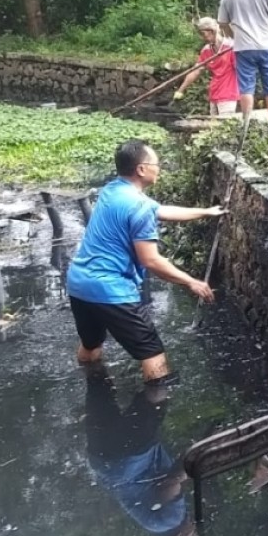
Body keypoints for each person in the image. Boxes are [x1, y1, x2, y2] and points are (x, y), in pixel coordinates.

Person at [67, 140, 225, 383]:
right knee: (152, 353)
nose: (159, 169)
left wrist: (206, 212)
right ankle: (156, 401)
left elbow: (160, 210)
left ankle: (94, 388)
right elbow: (151, 260)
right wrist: (191, 282)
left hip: (78, 284)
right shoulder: (139, 206)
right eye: (156, 164)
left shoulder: (112, 190)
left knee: (91, 345)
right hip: (110, 288)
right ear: (141, 169)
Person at [83, 365, 196, 536]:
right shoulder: (151, 524)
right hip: (102, 460)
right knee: (97, 383)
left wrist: (195, 457)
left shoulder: (172, 520)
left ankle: (152, 359)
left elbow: (170, 483)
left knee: (155, 399)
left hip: (133, 458)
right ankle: (91, 355)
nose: (194, 532)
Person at [172, 18, 239, 116]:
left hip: (228, 95)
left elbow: (242, 70)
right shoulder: (206, 50)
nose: (201, 37)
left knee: (225, 123)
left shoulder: (230, 47)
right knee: (212, 123)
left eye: (202, 34)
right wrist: (180, 90)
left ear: (212, 31)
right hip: (214, 93)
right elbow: (196, 71)